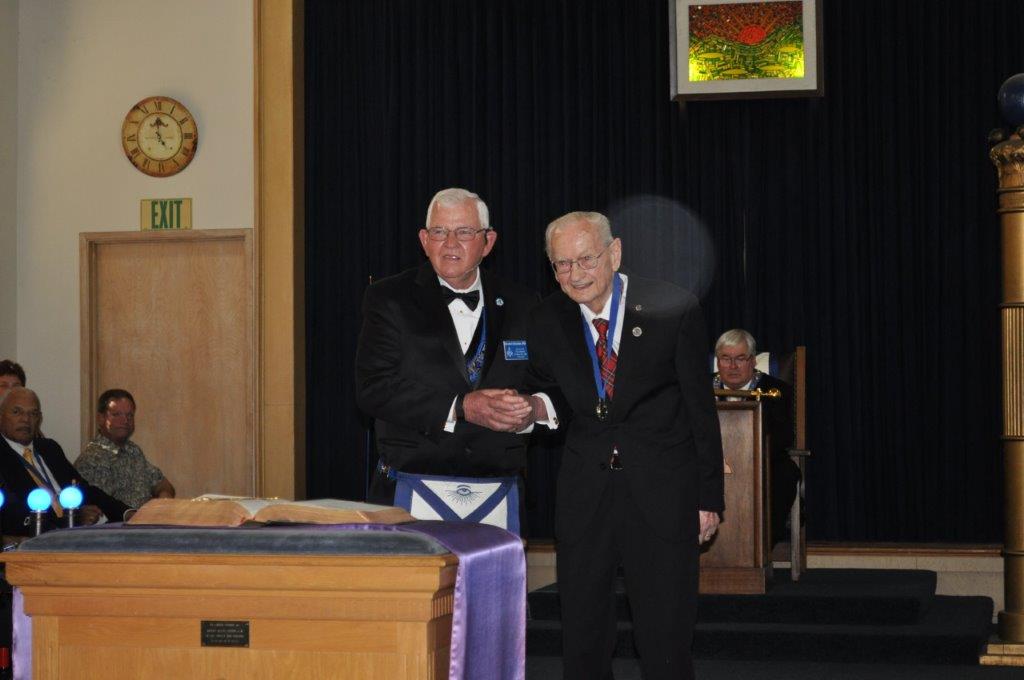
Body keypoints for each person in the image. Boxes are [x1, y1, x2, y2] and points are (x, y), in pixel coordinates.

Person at [520, 211, 724, 680]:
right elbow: (550, 393)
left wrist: (708, 498)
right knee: (583, 634)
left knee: (665, 635)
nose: (575, 275)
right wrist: (533, 408)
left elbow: (700, 410)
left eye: (586, 259)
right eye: (562, 264)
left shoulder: (673, 308)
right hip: (585, 497)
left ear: (614, 253)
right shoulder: (545, 319)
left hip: (663, 495)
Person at [355, 188, 537, 517]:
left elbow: (547, 386)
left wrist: (531, 411)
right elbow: (373, 389)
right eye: (439, 232)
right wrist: (461, 406)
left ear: (488, 241)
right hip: (411, 487)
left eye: (464, 232)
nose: (450, 243)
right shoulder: (388, 298)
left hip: (498, 492)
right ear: (424, 240)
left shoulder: (524, 303)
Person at [0, 387, 129, 536]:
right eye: (17, 412)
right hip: (37, 540)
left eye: (33, 414)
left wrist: (127, 513)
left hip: (79, 535)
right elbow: (13, 515)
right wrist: (72, 518)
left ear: (39, 419)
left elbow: (84, 489)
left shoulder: (49, 448)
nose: (26, 419)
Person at [714, 328, 801, 545]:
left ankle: (761, 547)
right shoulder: (698, 389)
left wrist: (746, 456)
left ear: (753, 361)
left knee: (786, 473)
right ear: (717, 361)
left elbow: (783, 436)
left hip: (760, 462)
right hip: (711, 462)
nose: (732, 366)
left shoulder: (776, 391)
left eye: (740, 358)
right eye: (726, 358)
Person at [74, 389, 175, 509]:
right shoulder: (91, 460)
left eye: (129, 415)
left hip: (147, 518)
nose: (125, 420)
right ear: (101, 418)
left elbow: (163, 485)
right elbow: (100, 510)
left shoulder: (133, 450)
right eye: (116, 414)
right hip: (121, 520)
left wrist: (163, 502)